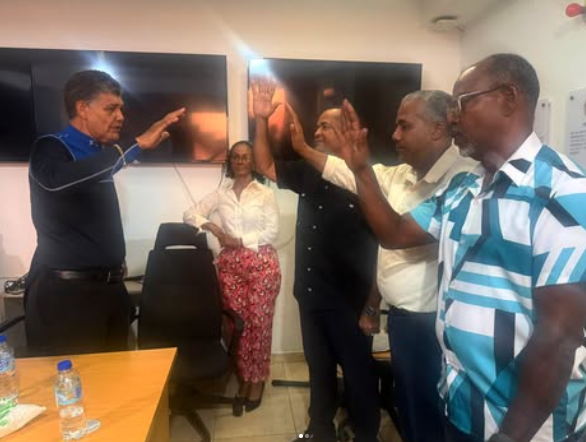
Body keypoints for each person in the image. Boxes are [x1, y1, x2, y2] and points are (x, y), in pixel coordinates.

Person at [332, 54, 586, 442]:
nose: (451, 118)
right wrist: (361, 170)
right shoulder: (464, 188)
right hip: (461, 406)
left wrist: (511, 436)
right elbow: (395, 233)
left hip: (524, 427)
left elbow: (558, 337)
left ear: (508, 98)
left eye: (461, 103)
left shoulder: (563, 193)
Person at [286, 90, 477, 442]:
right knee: (413, 413)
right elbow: (345, 174)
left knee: (433, 418)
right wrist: (304, 149)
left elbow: (395, 235)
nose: (394, 135)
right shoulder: (401, 175)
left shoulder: (464, 179)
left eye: (405, 126)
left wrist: (359, 169)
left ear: (437, 129)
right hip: (404, 319)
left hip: (433, 325)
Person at [252, 79, 380, 442]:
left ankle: (365, 434)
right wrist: (261, 120)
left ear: (347, 131)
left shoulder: (367, 177)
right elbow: (265, 164)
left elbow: (384, 249)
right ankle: (319, 430)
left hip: (351, 301)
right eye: (317, 126)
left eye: (325, 126)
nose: (317, 132)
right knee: (319, 368)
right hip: (311, 295)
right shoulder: (308, 171)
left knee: (357, 373)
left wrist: (372, 306)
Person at [26, 70, 185, 356]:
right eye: (111, 108)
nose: (121, 117)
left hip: (110, 291)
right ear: (82, 108)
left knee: (117, 377)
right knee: (81, 381)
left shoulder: (98, 154)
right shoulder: (51, 146)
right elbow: (56, 181)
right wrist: (134, 145)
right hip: (69, 297)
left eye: (121, 108)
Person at [183, 140, 281, 416]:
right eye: (236, 157)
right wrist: (214, 228)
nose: (240, 161)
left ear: (253, 162)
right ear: (230, 161)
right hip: (231, 268)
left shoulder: (264, 193)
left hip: (262, 265)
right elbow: (189, 214)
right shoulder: (221, 192)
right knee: (237, 326)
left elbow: (272, 231)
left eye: (246, 157)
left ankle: (256, 381)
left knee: (259, 325)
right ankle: (244, 377)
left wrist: (237, 240)